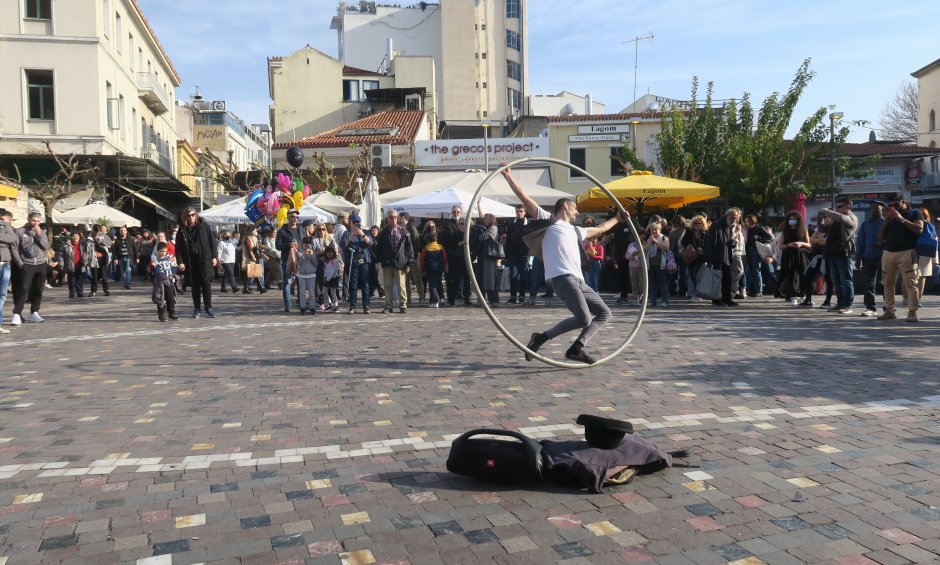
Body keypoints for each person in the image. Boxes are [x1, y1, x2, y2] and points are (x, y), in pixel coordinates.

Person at [503, 167, 626, 364]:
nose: (578, 211)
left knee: (605, 313)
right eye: (575, 208)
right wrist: (508, 176)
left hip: (579, 281)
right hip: (562, 278)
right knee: (584, 318)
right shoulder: (549, 221)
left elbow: (600, 228)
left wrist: (618, 219)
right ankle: (541, 338)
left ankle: (576, 348)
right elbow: (526, 199)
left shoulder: (576, 230)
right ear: (565, 207)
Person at [878, 197, 924, 322]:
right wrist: (886, 221)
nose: (893, 207)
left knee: (911, 283)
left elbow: (919, 229)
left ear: (903, 202)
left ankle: (912, 312)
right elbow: (880, 236)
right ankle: (889, 311)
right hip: (889, 252)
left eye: (896, 204)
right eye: (890, 205)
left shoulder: (914, 213)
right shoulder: (889, 216)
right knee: (887, 284)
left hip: (907, 252)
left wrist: (901, 218)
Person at [175, 207, 219, 318]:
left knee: (206, 284)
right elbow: (178, 248)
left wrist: (214, 257)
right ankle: (197, 308)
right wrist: (180, 261)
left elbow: (212, 242)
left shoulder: (204, 226)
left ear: (196, 215)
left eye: (193, 214)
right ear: (185, 216)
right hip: (190, 260)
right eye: (189, 215)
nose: (191, 217)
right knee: (195, 286)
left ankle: (208, 308)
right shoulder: (182, 230)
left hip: (204, 259)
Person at [819, 198, 859, 314]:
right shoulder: (835, 220)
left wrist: (828, 212)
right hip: (832, 253)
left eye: (840, 206)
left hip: (844, 253)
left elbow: (845, 219)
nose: (837, 209)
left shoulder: (852, 217)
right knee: (836, 280)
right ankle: (840, 303)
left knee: (846, 280)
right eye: (837, 207)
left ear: (848, 207)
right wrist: (820, 218)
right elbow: (822, 229)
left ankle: (848, 305)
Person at [10, 212, 49, 325]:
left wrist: (39, 234)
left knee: (38, 289)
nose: (35, 223)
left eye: (38, 221)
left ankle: (34, 312)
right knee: (23, 289)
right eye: (33, 221)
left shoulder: (41, 232)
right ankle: (17, 313)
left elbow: (45, 246)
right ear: (28, 220)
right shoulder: (20, 231)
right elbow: (14, 248)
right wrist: (20, 263)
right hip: (26, 263)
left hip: (40, 263)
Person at [376, 209, 414, 314]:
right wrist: (381, 260)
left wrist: (408, 262)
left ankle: (403, 305)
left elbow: (409, 249)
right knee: (387, 285)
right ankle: (388, 305)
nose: (394, 219)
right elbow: (379, 248)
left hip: (400, 262)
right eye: (391, 217)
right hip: (387, 263)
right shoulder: (383, 232)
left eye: (395, 217)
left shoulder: (404, 232)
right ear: (388, 219)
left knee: (401, 285)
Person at [704, 208, 742, 307]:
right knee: (717, 279)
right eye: (734, 218)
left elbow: (730, 243)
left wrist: (736, 235)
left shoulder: (728, 225)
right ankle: (716, 300)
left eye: (737, 218)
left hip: (726, 257)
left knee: (727, 279)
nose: (735, 220)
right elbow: (711, 243)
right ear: (728, 216)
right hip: (717, 257)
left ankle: (727, 299)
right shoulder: (717, 225)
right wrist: (709, 259)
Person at [855, 201, 885, 317]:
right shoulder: (865, 224)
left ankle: (888, 307)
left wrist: (884, 242)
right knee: (869, 284)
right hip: (868, 257)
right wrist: (857, 258)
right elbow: (860, 242)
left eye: (877, 208)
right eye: (872, 208)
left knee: (884, 283)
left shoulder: (886, 223)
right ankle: (870, 307)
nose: (874, 210)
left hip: (883, 257)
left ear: (882, 209)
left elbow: (891, 239)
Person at [340, 214, 373, 314]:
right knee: (353, 285)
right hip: (352, 261)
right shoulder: (346, 233)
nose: (356, 224)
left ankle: (366, 306)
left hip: (364, 260)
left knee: (365, 284)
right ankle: (352, 306)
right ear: (350, 223)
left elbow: (370, 243)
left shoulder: (365, 232)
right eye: (354, 222)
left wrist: (362, 234)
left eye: (357, 222)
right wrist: (352, 236)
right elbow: (344, 244)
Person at [777, 211, 811, 305]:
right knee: (790, 275)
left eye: (794, 219)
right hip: (788, 255)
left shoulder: (803, 229)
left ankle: (803, 295)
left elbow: (809, 244)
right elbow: (780, 246)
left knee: (803, 275)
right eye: (790, 219)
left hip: (801, 254)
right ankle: (793, 296)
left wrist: (802, 243)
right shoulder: (785, 231)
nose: (792, 221)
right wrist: (789, 245)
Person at [275, 209, 304, 312]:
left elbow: (305, 242)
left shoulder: (301, 229)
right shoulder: (282, 230)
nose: (295, 219)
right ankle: (288, 305)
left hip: (299, 259)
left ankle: (301, 303)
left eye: (296, 217)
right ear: (288, 218)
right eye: (292, 217)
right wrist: (288, 245)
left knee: (300, 282)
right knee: (287, 282)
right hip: (286, 259)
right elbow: (277, 246)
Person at [442, 208, 470, 307]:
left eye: (463, 224)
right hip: (457, 260)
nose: (462, 225)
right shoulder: (455, 233)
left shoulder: (468, 234)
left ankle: (467, 299)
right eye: (460, 224)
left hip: (466, 259)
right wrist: (463, 243)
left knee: (467, 280)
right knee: (456, 280)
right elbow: (452, 245)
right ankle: (452, 300)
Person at [743, 215, 775, 297]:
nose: (745, 223)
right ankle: (753, 289)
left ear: (751, 221)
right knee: (750, 271)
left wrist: (759, 238)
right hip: (749, 251)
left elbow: (769, 238)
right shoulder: (749, 230)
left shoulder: (759, 228)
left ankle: (759, 290)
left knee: (756, 270)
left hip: (756, 250)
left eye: (747, 221)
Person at [0, 209, 20, 334]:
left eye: (4, 220)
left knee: (2, 295)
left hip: (6, 263)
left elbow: (13, 239)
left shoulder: (9, 227)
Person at [57, 231, 93, 298]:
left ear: (79, 237)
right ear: (71, 237)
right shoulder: (66, 245)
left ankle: (80, 292)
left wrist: (86, 261)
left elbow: (87, 253)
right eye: (74, 236)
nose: (75, 237)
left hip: (80, 265)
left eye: (77, 236)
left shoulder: (83, 245)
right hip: (70, 265)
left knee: (80, 279)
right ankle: (72, 293)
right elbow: (60, 255)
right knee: (71, 280)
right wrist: (61, 263)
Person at [506, 205, 530, 304]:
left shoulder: (529, 223)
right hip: (513, 253)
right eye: (517, 211)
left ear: (525, 212)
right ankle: (513, 296)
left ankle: (522, 296)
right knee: (513, 275)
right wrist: (507, 254)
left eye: (521, 211)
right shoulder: (511, 224)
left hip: (525, 253)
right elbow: (508, 240)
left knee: (523, 275)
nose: (519, 213)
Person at [399, 212, 424, 306]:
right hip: (405, 258)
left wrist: (413, 255)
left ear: (403, 218)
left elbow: (416, 242)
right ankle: (408, 299)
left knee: (417, 278)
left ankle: (421, 297)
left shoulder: (411, 228)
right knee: (406, 280)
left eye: (399, 217)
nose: (397, 219)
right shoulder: (402, 228)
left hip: (413, 258)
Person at [681, 216, 708, 302]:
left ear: (703, 224)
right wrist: (693, 247)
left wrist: (703, 249)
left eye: (700, 223)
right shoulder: (689, 232)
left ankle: (698, 294)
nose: (698, 225)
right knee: (693, 276)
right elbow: (683, 241)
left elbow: (708, 243)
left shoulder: (705, 233)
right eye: (696, 223)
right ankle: (695, 294)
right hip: (692, 258)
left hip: (702, 258)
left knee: (700, 277)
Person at [643, 221, 671, 307]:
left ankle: (665, 301)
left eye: (655, 229)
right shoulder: (649, 239)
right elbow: (643, 250)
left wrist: (655, 241)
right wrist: (649, 243)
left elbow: (666, 247)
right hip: (650, 265)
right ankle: (652, 301)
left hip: (661, 266)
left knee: (663, 284)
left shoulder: (663, 238)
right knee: (652, 285)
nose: (654, 231)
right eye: (652, 230)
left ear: (659, 230)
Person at [151, 241, 178, 322]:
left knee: (170, 297)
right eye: (161, 251)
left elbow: (173, 268)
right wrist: (153, 267)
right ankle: (161, 314)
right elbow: (157, 271)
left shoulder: (169, 258)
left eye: (165, 251)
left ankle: (171, 313)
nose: (163, 253)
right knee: (161, 298)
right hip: (160, 282)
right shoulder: (156, 260)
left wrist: (173, 275)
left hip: (169, 281)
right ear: (158, 251)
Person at [479, 213, 501, 307]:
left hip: (489, 258)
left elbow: (482, 237)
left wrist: (481, 234)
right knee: (484, 279)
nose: (484, 220)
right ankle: (482, 300)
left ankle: (493, 300)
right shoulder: (488, 228)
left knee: (490, 280)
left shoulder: (493, 228)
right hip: (485, 257)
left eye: (486, 219)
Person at [420, 232, 447, 307]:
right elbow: (445, 258)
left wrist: (422, 269)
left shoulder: (426, 248)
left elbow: (422, 260)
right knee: (439, 283)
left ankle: (434, 301)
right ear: (436, 239)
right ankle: (442, 298)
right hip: (439, 269)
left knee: (432, 285)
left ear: (428, 240)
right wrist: (444, 266)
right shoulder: (440, 247)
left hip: (430, 269)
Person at [295, 236, 319, 315]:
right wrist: (304, 255)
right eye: (305, 245)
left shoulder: (314, 253)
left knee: (312, 292)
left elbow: (316, 264)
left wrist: (312, 256)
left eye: (308, 245)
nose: (306, 247)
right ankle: (303, 307)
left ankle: (312, 307)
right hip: (301, 275)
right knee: (302, 293)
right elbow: (300, 263)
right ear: (302, 245)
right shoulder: (299, 252)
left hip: (311, 274)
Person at [625, 229, 646, 305]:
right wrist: (632, 255)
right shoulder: (632, 245)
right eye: (640, 236)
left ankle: (641, 296)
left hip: (642, 267)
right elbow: (626, 256)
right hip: (633, 267)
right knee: (634, 284)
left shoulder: (646, 245)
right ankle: (635, 299)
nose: (641, 238)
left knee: (641, 284)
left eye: (643, 236)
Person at [321, 246, 342, 311]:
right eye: (327, 252)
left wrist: (327, 279)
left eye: (330, 252)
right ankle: (330, 303)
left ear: (333, 253)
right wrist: (325, 277)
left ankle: (335, 305)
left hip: (333, 278)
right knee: (324, 291)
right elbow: (326, 270)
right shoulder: (327, 261)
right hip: (327, 278)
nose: (329, 254)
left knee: (333, 292)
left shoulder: (335, 260)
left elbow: (334, 271)